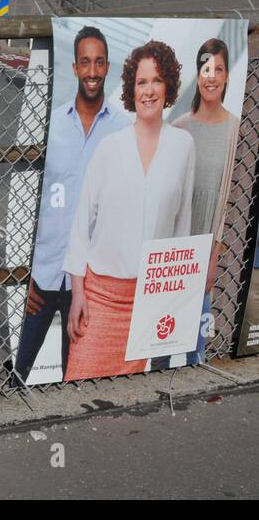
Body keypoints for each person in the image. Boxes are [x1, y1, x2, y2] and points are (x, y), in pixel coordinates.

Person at [64, 41, 195, 381]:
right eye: (141, 82)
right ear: (130, 89)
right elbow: (81, 226)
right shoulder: (110, 147)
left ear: (168, 86)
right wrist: (78, 294)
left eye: (156, 81)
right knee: (79, 389)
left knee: (131, 406)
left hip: (151, 299)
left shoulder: (184, 146)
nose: (148, 91)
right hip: (101, 298)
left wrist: (173, 298)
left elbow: (182, 229)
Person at [15, 27, 127, 384]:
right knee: (19, 371)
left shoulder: (123, 131)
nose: (92, 71)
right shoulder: (53, 125)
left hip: (90, 278)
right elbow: (29, 194)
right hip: (45, 272)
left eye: (98, 62)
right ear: (75, 68)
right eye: (84, 62)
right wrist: (26, 269)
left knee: (75, 375)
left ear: (107, 67)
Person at [170, 38, 240, 366]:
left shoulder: (233, 129)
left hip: (205, 241)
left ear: (226, 77)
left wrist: (214, 253)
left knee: (196, 332)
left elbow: (226, 200)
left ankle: (195, 368)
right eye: (206, 68)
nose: (211, 76)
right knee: (164, 324)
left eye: (219, 69)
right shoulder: (179, 127)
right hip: (174, 242)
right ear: (198, 75)